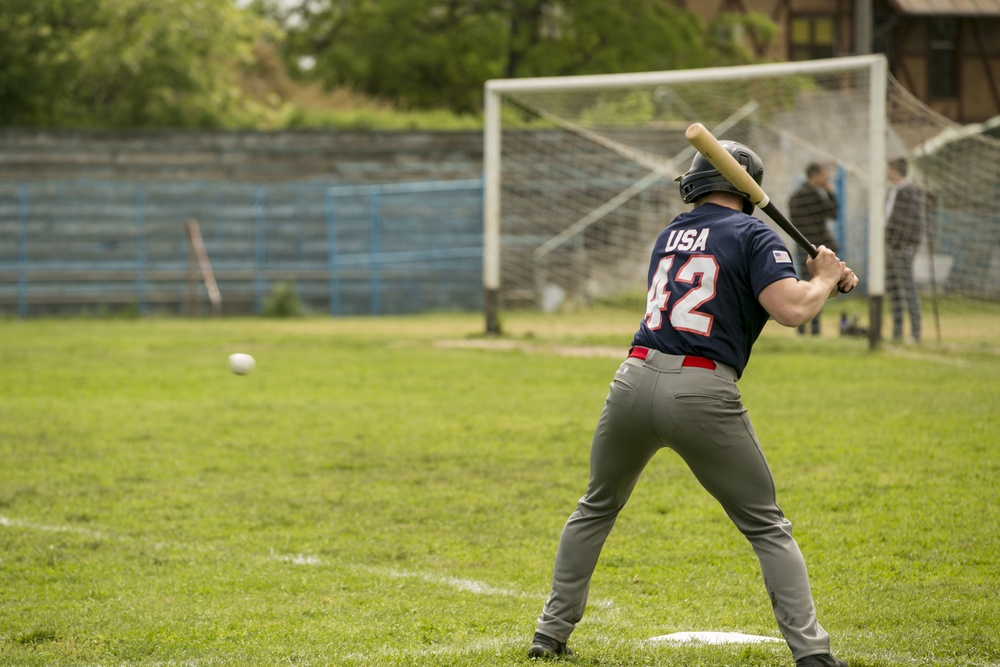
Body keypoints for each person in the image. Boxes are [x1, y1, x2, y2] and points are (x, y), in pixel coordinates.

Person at [527, 140, 858, 667]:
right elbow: (791, 309)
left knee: (595, 507)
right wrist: (820, 279)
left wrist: (817, 280)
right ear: (747, 190)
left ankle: (549, 634)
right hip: (701, 390)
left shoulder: (669, 234)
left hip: (633, 380)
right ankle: (813, 655)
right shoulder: (755, 232)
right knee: (767, 527)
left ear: (700, 181)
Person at [789, 162, 840, 336]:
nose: (827, 179)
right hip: (816, 248)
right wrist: (830, 191)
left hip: (802, 245)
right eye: (825, 176)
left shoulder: (796, 196)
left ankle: (802, 329)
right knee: (818, 287)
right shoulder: (815, 196)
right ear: (815, 175)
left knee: (802, 285)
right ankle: (815, 329)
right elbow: (834, 213)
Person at [885, 157, 925, 343]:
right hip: (890, 248)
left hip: (902, 248)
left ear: (894, 170)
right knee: (893, 290)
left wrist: (905, 244)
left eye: (888, 168)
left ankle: (916, 333)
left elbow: (913, 223)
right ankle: (897, 332)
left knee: (908, 289)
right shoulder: (892, 191)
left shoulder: (910, 191)